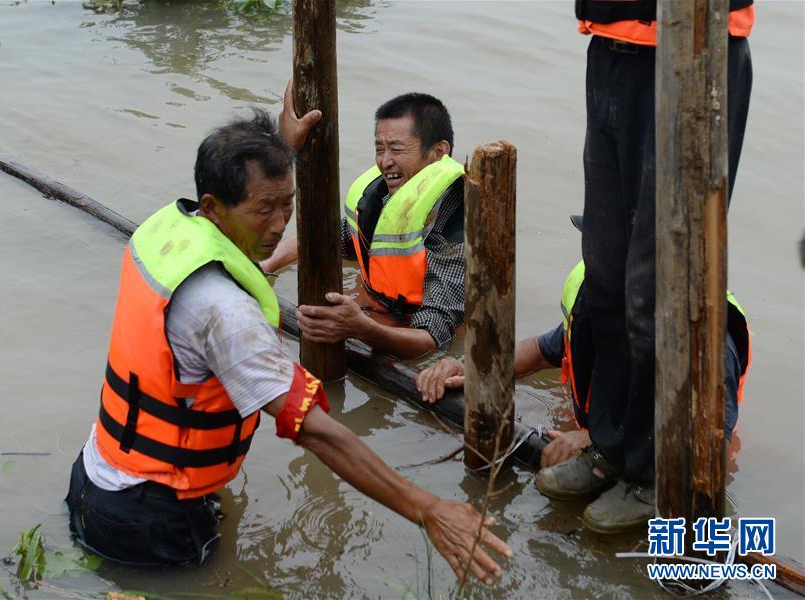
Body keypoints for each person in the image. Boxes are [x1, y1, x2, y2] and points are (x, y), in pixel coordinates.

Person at [64, 109, 511, 583]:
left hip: (96, 472)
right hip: (148, 513)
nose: (279, 225)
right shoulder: (227, 312)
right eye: (264, 211)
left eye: (287, 205)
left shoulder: (165, 229)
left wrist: (282, 142)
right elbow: (316, 431)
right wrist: (430, 510)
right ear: (214, 207)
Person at [558, 0, 755, 531]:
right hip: (610, 48)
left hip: (694, 53)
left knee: (660, 287)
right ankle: (612, 448)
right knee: (605, 275)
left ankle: (659, 474)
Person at [416, 252, 751, 530]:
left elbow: (712, 449)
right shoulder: (598, 292)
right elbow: (540, 350)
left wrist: (597, 439)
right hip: (612, 428)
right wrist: (476, 370)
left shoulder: (704, 337)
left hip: (681, 447)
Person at [261, 86, 465, 359]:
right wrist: (267, 265)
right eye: (380, 148)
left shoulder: (456, 230)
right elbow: (330, 237)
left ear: (439, 152)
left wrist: (361, 328)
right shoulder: (385, 196)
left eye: (396, 149)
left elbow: (432, 338)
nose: (385, 161)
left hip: (415, 337)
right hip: (374, 308)